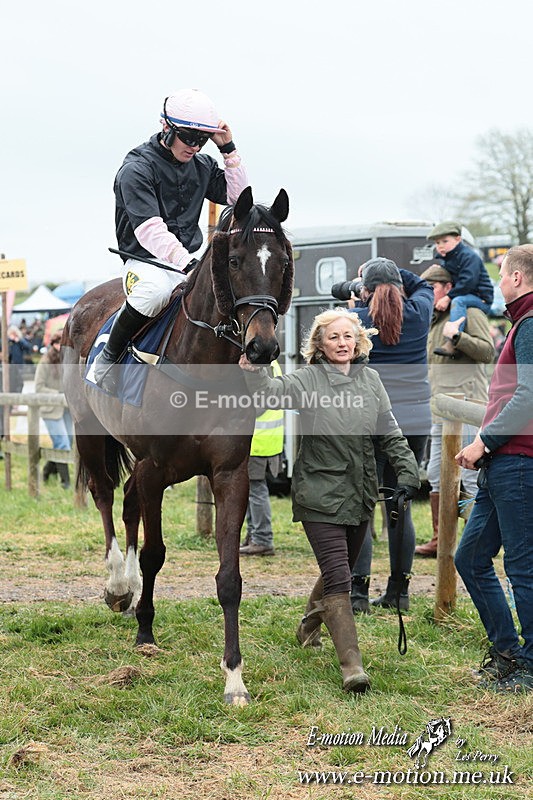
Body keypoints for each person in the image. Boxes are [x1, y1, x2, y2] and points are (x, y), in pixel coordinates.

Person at [239, 308, 419, 693]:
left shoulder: (371, 380)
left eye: (348, 336)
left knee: (340, 565)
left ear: (359, 342)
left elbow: (390, 432)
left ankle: (307, 624)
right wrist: (255, 372)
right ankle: (352, 665)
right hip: (319, 493)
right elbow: (271, 394)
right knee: (341, 575)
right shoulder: (308, 379)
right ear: (319, 344)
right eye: (334, 337)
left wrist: (408, 474)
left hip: (360, 492)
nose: (342, 343)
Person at [94, 88, 248, 392]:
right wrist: (188, 263)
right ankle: (108, 359)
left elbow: (237, 199)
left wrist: (228, 150)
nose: (195, 146)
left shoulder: (202, 166)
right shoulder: (136, 169)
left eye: (202, 139)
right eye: (188, 137)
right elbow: (150, 230)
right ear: (166, 127)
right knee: (154, 292)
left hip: (188, 260)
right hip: (147, 261)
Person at [455, 244, 533, 693]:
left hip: (518, 462)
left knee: (523, 568)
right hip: (503, 462)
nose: (499, 282)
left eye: (502, 274)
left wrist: (484, 440)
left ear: (518, 278)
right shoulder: (522, 322)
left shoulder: (531, 323)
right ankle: (507, 651)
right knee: (470, 557)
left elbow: (528, 397)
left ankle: (530, 665)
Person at [342, 258, 433, 612]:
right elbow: (424, 285)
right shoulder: (421, 312)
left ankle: (359, 593)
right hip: (415, 423)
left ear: (364, 292)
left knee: (363, 506)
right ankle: (399, 592)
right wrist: (390, 273)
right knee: (401, 506)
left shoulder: (356, 321)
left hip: (371, 423)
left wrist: (362, 280)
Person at [414, 264, 494, 557]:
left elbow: (487, 351)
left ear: (448, 287)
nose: (427, 293)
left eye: (432, 287)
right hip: (440, 410)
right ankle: (441, 540)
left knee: (470, 477)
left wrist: (457, 337)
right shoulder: (434, 320)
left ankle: (479, 544)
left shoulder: (469, 312)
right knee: (436, 474)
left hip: (469, 408)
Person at [426, 221, 494, 357]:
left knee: (459, 301)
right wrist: (440, 270)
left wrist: (448, 297)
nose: (440, 246)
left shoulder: (470, 257)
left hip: (481, 298)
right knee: (458, 299)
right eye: (437, 243)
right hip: (465, 294)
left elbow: (467, 282)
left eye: (445, 241)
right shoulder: (447, 259)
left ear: (458, 239)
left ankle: (451, 341)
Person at [240, 361, 284, 557]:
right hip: (266, 439)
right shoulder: (268, 360)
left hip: (258, 440)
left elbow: (260, 403)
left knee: (255, 490)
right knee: (250, 489)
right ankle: (254, 536)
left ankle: (262, 539)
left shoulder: (258, 364)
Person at [34, 332, 73, 489]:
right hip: (51, 409)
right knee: (62, 444)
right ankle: (66, 483)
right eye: (59, 343)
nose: (61, 347)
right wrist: (57, 395)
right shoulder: (45, 362)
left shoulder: (68, 360)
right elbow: (38, 387)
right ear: (53, 344)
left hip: (66, 408)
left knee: (67, 442)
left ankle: (47, 470)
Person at [7, 325, 34, 394]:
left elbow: (28, 347)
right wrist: (10, 340)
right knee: (11, 381)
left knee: (20, 381)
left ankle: (18, 393)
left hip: (19, 364)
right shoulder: (8, 342)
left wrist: (19, 341)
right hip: (10, 365)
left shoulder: (20, 341)